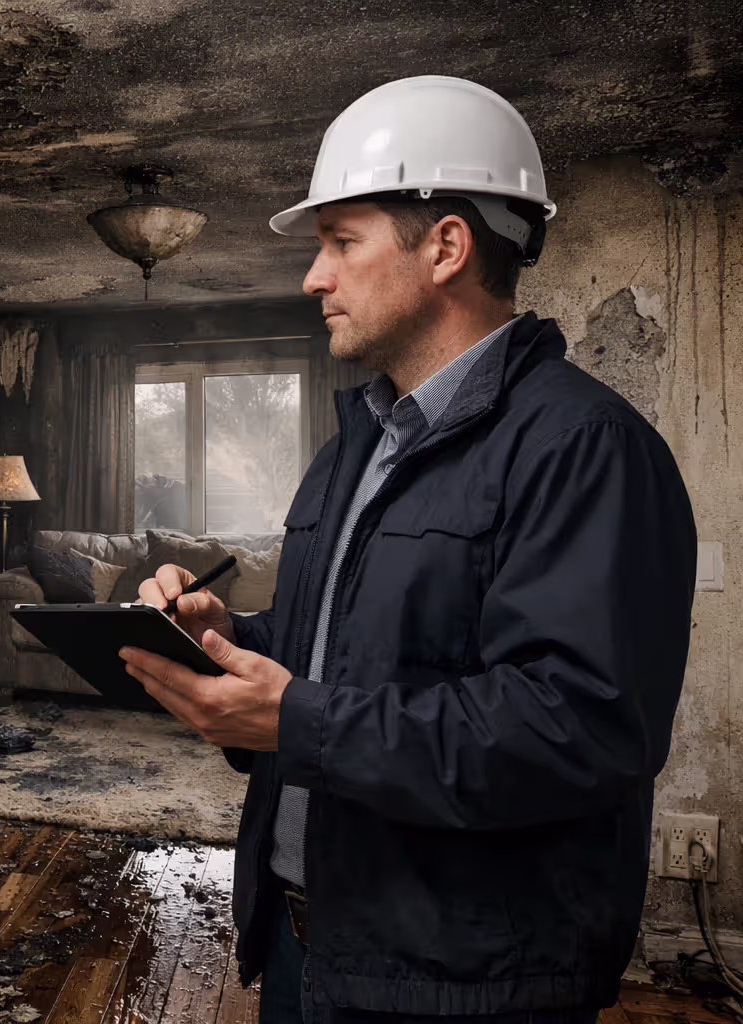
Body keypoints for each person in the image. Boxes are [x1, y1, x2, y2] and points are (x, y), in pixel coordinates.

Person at [122, 75, 697, 1024]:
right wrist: (233, 638)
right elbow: (356, 654)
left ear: (446, 247)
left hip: (462, 987)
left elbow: (579, 731)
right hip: (309, 948)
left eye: (340, 242)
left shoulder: (584, 448)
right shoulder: (356, 444)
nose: (313, 277)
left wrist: (297, 719)